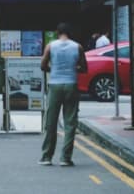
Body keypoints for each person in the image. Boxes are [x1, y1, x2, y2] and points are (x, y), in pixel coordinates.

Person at [39, 22, 87, 167]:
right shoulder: (78, 47)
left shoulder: (51, 46)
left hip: (55, 84)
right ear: (69, 33)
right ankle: (65, 158)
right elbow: (84, 68)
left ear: (57, 32)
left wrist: (53, 69)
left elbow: (42, 65)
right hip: (71, 84)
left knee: (51, 121)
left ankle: (47, 157)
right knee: (70, 122)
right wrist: (73, 68)